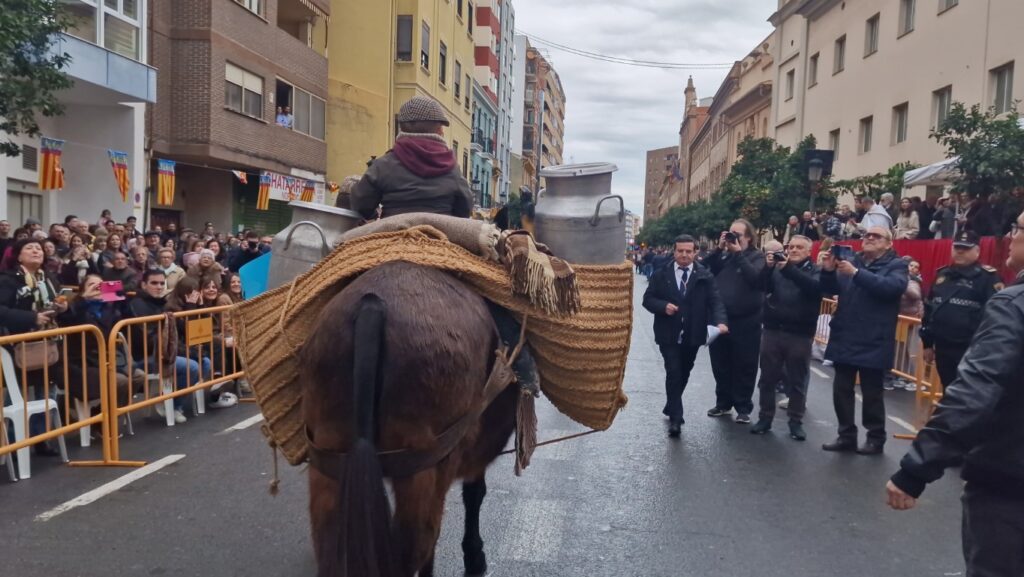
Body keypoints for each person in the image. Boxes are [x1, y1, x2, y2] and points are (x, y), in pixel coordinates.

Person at [886, 210, 1024, 577]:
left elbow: (974, 394)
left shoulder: (1011, 302)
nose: (1010, 237)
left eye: (1018, 229)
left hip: (1008, 483)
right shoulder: (948, 277)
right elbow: (932, 309)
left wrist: (916, 468)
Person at [819, 226, 908, 455]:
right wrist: (829, 271)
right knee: (841, 389)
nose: (868, 238)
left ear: (889, 243)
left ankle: (875, 438)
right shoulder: (852, 260)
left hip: (874, 337)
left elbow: (891, 288)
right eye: (867, 235)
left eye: (876, 236)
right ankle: (846, 435)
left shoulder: (896, 265)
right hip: (846, 334)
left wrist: (856, 273)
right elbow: (829, 289)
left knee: (872, 392)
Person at [642, 234, 728, 437]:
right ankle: (676, 418)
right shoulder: (661, 274)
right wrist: (663, 307)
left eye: (688, 251)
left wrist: (721, 322)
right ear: (674, 251)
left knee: (684, 371)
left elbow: (715, 301)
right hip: (668, 334)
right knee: (673, 371)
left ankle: (671, 404)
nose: (684, 255)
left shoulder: (704, 275)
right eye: (680, 251)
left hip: (693, 333)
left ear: (695, 252)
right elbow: (648, 299)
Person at [347, 96, 473, 220]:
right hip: (440, 236)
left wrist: (375, 216)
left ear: (401, 128)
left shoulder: (383, 165)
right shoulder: (452, 168)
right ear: (439, 131)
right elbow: (465, 209)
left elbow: (361, 204)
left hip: (392, 236)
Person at [749, 235, 821, 440]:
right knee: (767, 378)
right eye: (791, 247)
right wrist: (768, 267)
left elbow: (813, 289)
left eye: (800, 247)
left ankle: (795, 421)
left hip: (800, 334)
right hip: (773, 330)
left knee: (797, 380)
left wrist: (787, 268)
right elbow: (761, 286)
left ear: (809, 252)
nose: (794, 250)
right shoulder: (778, 269)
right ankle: (765, 417)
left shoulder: (814, 271)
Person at [919, 231, 1004, 390]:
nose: (960, 251)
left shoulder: (987, 278)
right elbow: (929, 309)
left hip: (971, 350)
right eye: (957, 247)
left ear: (977, 251)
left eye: (965, 248)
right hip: (943, 347)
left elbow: (996, 317)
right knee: (948, 390)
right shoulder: (942, 275)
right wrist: (927, 344)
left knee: (968, 394)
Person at [128, 270, 208, 423]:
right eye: (154, 283)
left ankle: (175, 405)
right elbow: (152, 340)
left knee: (205, 361)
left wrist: (198, 306)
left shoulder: (163, 303)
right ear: (144, 285)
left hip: (168, 351)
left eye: (161, 283)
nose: (158, 287)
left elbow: (186, 333)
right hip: (148, 356)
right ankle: (169, 402)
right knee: (192, 366)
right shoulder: (137, 305)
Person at [706, 219, 765, 423]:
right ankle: (723, 403)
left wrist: (738, 253)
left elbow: (755, 279)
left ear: (749, 237)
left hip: (746, 322)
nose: (733, 238)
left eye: (737, 235)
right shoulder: (723, 256)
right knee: (720, 364)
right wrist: (718, 248)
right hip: (720, 320)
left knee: (744, 365)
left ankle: (743, 407)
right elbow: (704, 270)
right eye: (729, 234)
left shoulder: (757, 257)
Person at [63, 274, 147, 411]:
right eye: (91, 285)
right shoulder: (76, 307)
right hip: (83, 362)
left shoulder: (109, 308)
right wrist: (85, 299)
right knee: (121, 381)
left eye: (100, 285)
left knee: (139, 376)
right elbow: (70, 318)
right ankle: (103, 420)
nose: (97, 288)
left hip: (109, 359)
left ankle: (107, 414)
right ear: (82, 290)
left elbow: (129, 325)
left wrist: (123, 300)